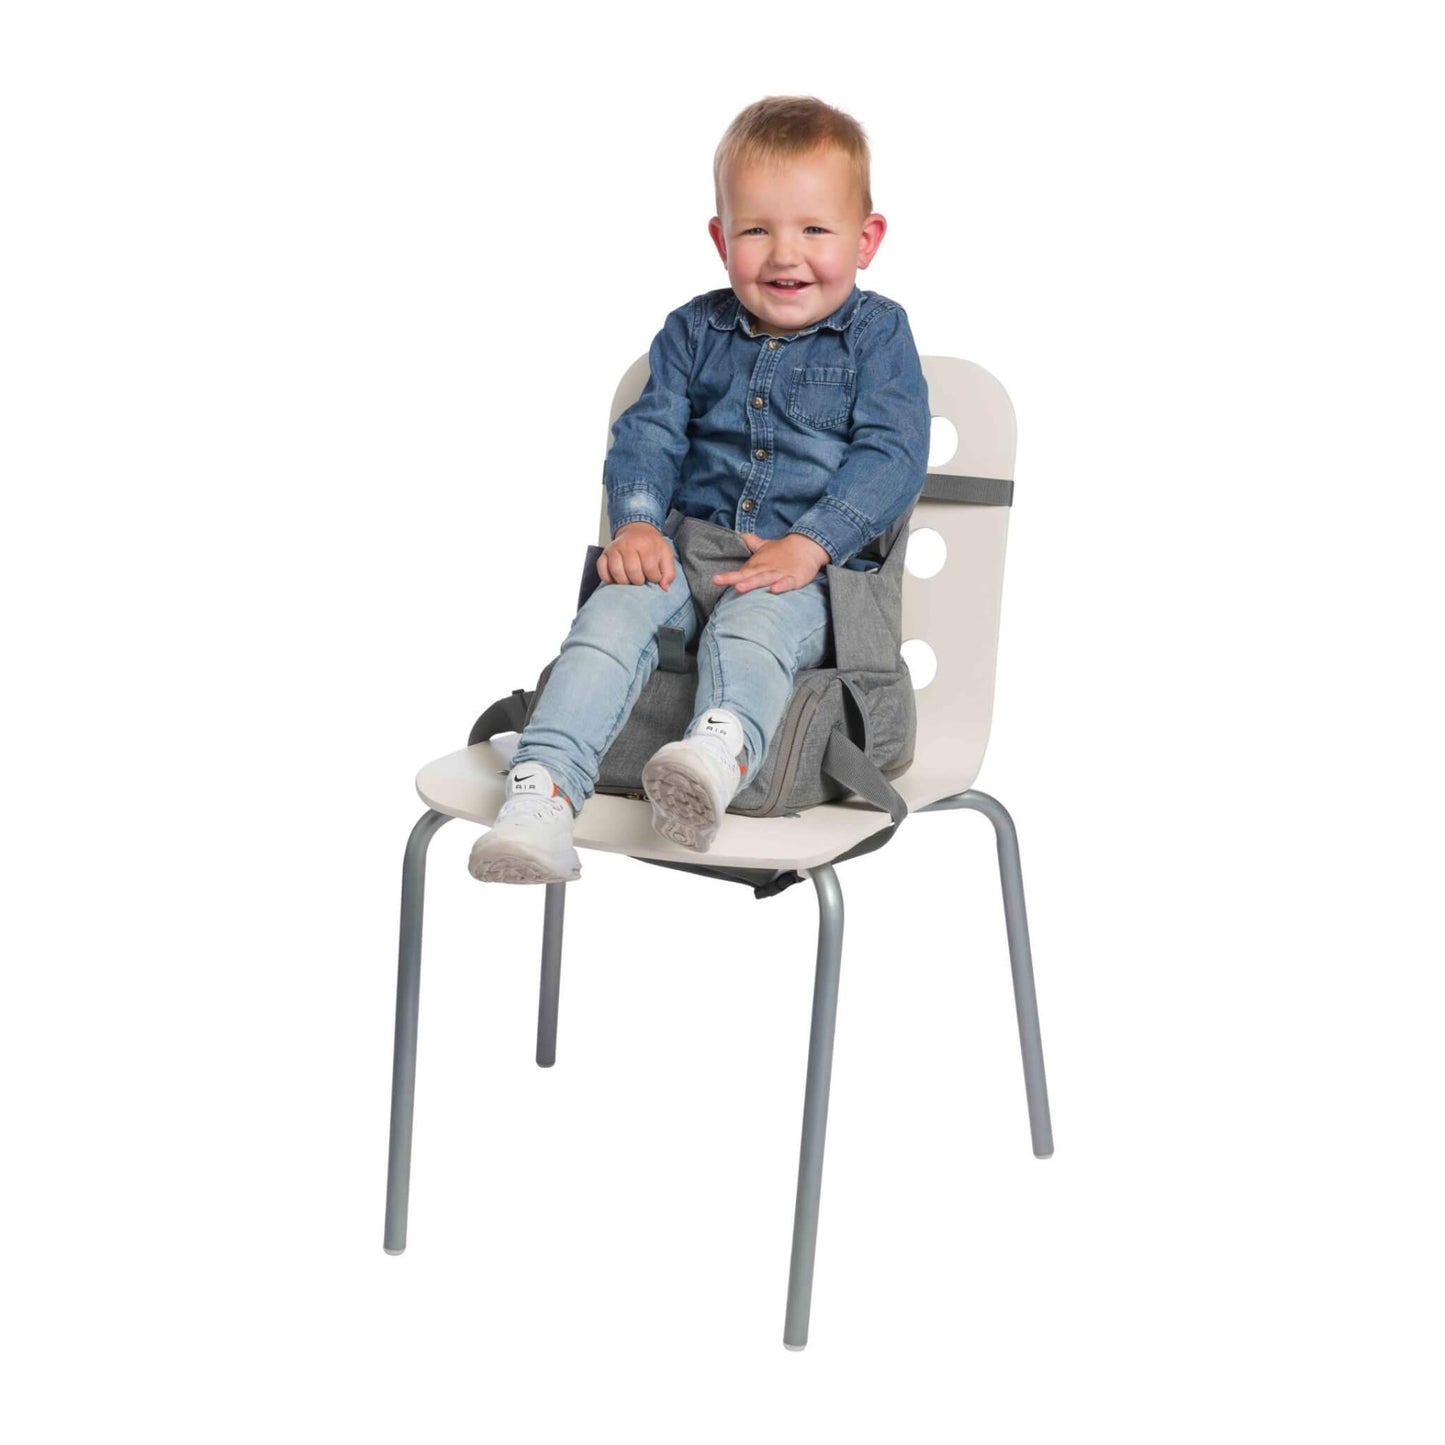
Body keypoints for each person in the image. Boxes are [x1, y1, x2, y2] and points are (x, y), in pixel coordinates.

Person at [468, 95, 932, 884]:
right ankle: (541, 797)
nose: (785, 253)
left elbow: (892, 455)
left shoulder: (877, 335)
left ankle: (715, 756)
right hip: (684, 554)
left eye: (815, 230)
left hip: (801, 575)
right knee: (610, 612)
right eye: (756, 229)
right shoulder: (691, 331)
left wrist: (810, 543)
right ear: (721, 240)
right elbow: (647, 435)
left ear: (866, 238)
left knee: (754, 622)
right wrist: (638, 525)